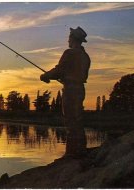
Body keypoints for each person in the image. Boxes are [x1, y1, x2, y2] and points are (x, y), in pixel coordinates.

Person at [40, 26, 91, 157]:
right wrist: (61, 77)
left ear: (73, 39)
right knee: (77, 120)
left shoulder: (69, 53)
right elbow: (74, 73)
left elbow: (60, 70)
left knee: (70, 121)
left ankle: (72, 154)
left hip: (71, 90)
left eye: (69, 37)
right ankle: (80, 150)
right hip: (80, 89)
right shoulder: (85, 56)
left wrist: (45, 76)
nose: (67, 40)